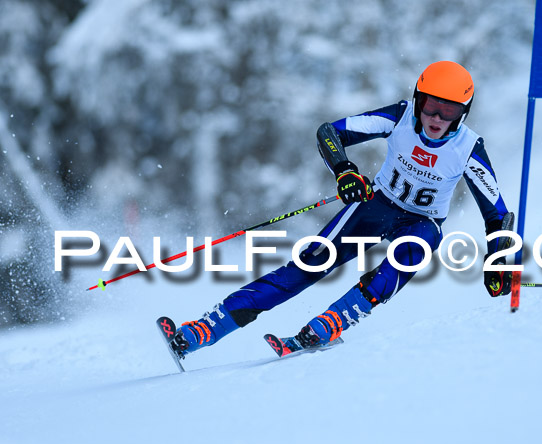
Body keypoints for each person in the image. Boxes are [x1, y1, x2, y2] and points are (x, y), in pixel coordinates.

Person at [171, 60, 513, 357]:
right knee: (307, 266)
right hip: (375, 205)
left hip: (421, 223)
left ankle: (331, 323)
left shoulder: (468, 147)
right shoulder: (400, 117)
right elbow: (330, 133)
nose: (436, 117)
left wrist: (497, 262)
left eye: (449, 110)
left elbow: (496, 213)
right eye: (430, 105)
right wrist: (345, 171)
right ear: (418, 99)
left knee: (407, 256)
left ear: (462, 113)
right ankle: (205, 329)